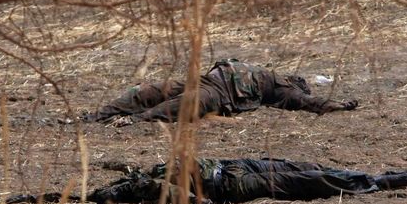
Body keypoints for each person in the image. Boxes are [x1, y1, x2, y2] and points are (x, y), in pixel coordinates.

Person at [6, 158, 407, 204]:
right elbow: (181, 197)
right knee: (306, 182)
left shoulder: (141, 177)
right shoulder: (138, 188)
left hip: (233, 166)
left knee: (303, 167)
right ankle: (376, 183)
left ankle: (363, 177)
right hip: (231, 186)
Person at [87, 59, 358, 126]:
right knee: (150, 90)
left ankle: (133, 119)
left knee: (185, 104)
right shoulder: (268, 73)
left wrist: (338, 105)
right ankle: (97, 116)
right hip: (205, 79)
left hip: (221, 94)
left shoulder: (281, 89)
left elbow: (311, 102)